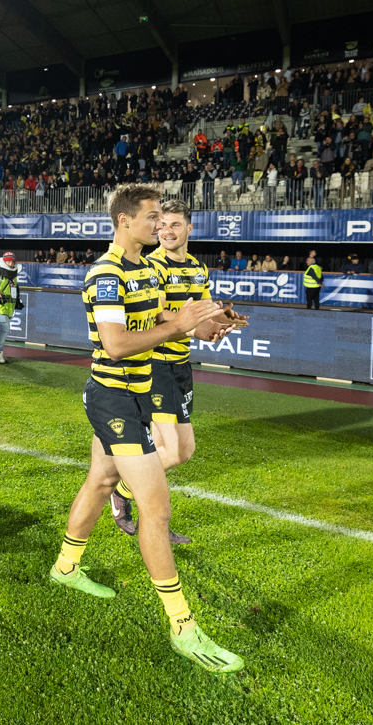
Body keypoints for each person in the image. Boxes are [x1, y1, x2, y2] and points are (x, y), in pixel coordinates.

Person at [47, 184, 243, 675]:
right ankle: (183, 627)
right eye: (152, 217)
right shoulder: (107, 274)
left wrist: (209, 324)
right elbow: (114, 344)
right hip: (114, 398)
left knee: (101, 480)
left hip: (139, 392)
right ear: (123, 221)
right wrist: (176, 327)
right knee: (155, 510)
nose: (159, 225)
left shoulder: (142, 271)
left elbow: (164, 321)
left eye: (163, 218)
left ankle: (66, 567)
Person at [113, 199, 243, 543]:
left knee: (180, 451)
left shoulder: (199, 268)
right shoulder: (151, 266)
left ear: (189, 228)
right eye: (162, 224)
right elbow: (158, 315)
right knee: (171, 450)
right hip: (154, 362)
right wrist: (195, 327)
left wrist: (220, 323)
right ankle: (135, 502)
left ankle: (124, 488)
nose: (166, 231)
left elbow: (201, 313)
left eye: (174, 224)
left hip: (180, 364)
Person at [0, 252, 20, 364]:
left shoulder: (14, 274)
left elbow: (16, 288)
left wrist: (18, 301)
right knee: (5, 328)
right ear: (4, 261)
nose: (11, 263)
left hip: (8, 307)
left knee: (1, 329)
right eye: (8, 261)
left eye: (12, 261)